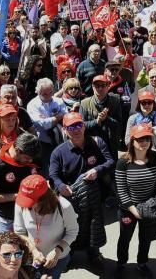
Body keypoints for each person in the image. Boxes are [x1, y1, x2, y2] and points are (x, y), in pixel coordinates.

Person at [47, 112, 114, 273]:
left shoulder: (97, 143)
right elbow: (53, 175)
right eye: (71, 127)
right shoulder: (59, 152)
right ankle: (68, 256)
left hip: (94, 195)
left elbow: (110, 161)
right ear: (65, 130)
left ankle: (94, 254)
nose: (76, 130)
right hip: (71, 197)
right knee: (69, 228)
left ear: (84, 126)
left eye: (78, 125)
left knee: (93, 225)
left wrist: (97, 171)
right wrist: (61, 186)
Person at [114, 123, 156, 278]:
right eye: (140, 139)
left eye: (147, 139)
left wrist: (154, 204)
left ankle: (142, 263)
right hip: (128, 209)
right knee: (125, 238)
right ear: (132, 141)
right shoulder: (123, 162)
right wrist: (133, 210)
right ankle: (121, 263)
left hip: (149, 207)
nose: (144, 142)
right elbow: (121, 190)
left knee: (145, 238)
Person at [13, 175, 78, 279]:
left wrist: (57, 251)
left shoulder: (64, 207)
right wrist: (33, 250)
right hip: (31, 257)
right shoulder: (21, 204)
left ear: (44, 199)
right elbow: (19, 232)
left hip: (58, 258)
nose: (27, 205)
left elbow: (72, 232)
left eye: (31, 201)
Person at [0, 132, 41, 232]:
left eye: (32, 159)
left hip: (30, 215)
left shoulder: (30, 155)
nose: (30, 161)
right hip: (8, 218)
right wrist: (17, 196)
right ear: (17, 150)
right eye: (27, 158)